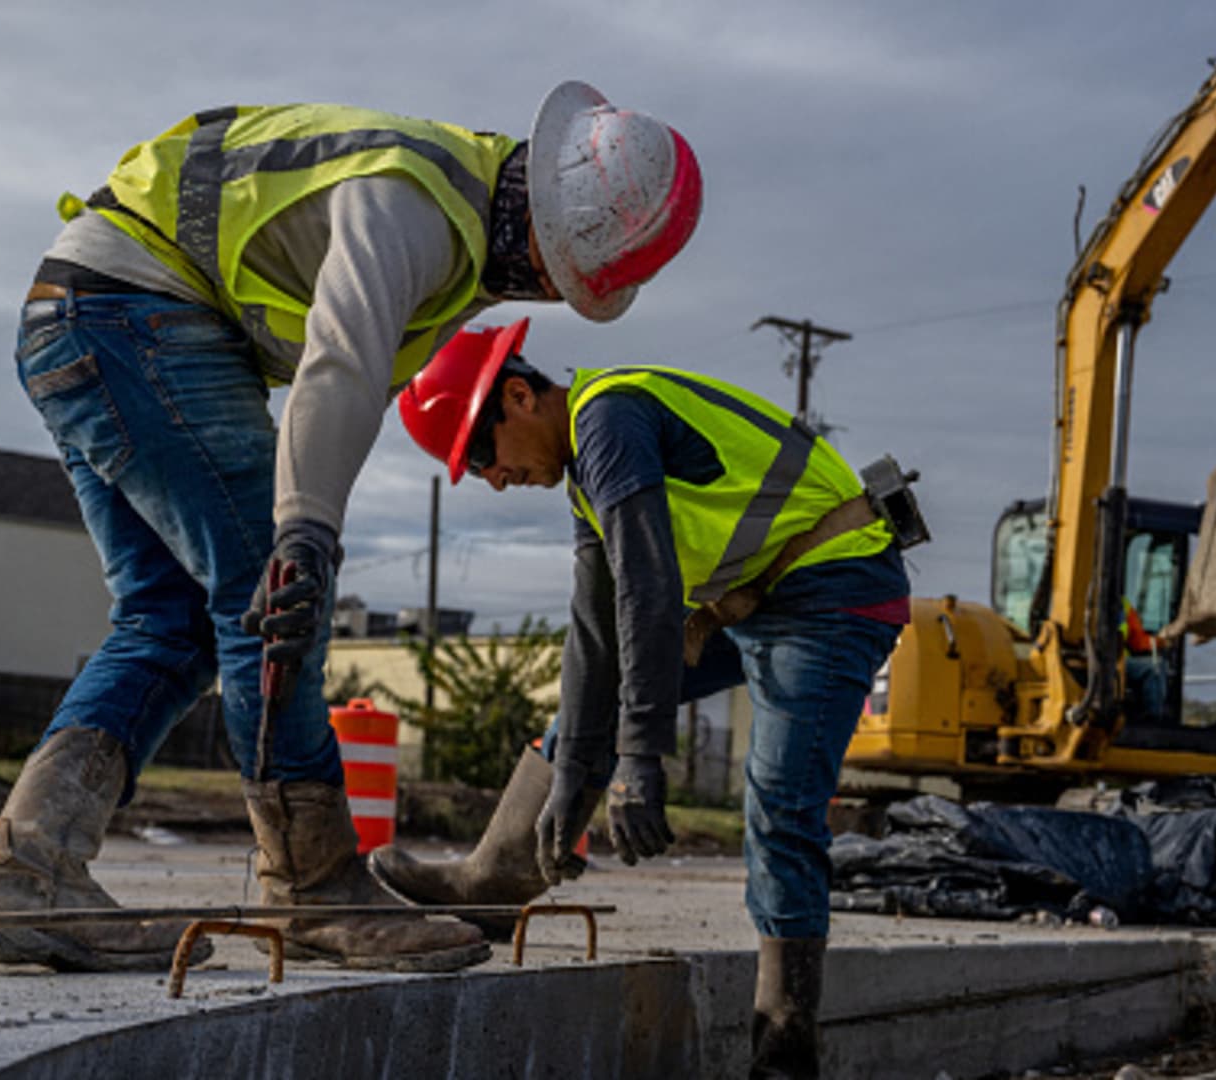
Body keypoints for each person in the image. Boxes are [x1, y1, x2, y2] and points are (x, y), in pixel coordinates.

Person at [0, 83, 702, 975]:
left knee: (171, 619)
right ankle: (310, 886)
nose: (545, 289)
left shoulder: (467, 248)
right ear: (539, 197)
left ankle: (27, 869)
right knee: (265, 593)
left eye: (565, 289)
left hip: (82, 320)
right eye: (554, 267)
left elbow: (358, 394)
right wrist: (303, 535)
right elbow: (339, 363)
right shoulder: (413, 200)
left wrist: (308, 522)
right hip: (134, 315)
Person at [380, 320, 913, 1077]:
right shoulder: (584, 473)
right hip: (761, 595)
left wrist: (639, 759)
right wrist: (572, 776)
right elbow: (597, 636)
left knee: (780, 805)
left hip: (836, 587)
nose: (493, 479)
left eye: (482, 455)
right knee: (589, 704)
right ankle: (494, 882)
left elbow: (649, 586)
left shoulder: (610, 419)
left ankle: (785, 1046)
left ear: (521, 396)